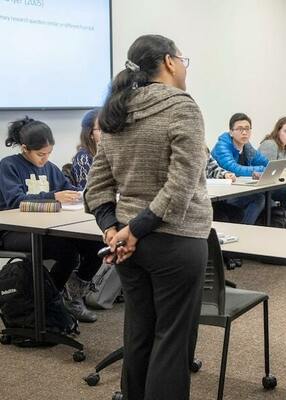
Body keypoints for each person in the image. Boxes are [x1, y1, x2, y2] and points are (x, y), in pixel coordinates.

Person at [84, 34, 211, 400]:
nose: (185, 66)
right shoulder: (182, 107)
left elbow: (97, 187)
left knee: (138, 335)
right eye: (183, 58)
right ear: (170, 62)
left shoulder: (117, 110)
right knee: (172, 342)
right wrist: (135, 230)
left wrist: (113, 230)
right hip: (175, 240)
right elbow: (182, 184)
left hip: (128, 246)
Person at [0, 117, 103, 323]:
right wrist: (54, 196)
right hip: (13, 231)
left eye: (49, 153)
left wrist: (85, 194)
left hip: (48, 228)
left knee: (96, 246)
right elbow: (15, 200)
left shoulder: (50, 168)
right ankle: (49, 302)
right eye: (40, 154)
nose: (45, 159)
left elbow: (70, 190)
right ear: (24, 148)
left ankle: (67, 295)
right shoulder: (8, 166)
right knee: (68, 252)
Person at [211, 113, 267, 224]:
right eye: (240, 129)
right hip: (223, 194)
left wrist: (266, 169)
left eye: (247, 129)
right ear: (231, 132)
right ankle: (244, 230)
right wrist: (260, 169)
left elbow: (265, 162)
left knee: (269, 197)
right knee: (258, 199)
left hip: (239, 189)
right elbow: (235, 169)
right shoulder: (222, 146)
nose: (245, 132)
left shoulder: (247, 146)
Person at [71, 108, 102, 190]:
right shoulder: (83, 157)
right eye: (100, 129)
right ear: (90, 133)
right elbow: (87, 189)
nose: (106, 132)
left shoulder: (110, 152)